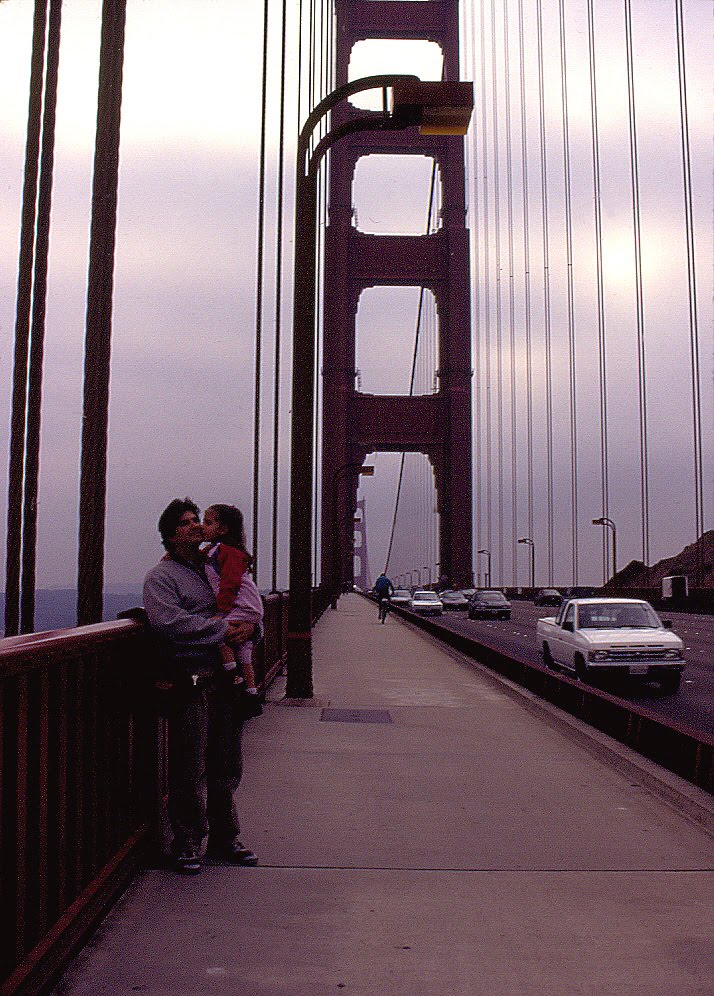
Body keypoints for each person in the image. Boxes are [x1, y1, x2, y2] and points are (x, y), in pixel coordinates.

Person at [143, 497, 258, 875]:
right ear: (169, 535)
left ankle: (226, 838)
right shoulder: (161, 578)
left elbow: (248, 606)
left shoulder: (217, 564)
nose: (194, 526)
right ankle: (188, 842)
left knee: (227, 764)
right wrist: (221, 629)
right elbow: (167, 622)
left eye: (197, 520)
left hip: (226, 680)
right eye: (185, 522)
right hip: (191, 681)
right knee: (189, 766)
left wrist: (254, 629)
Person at [202, 503, 263, 716]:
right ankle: (251, 694)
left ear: (223, 529)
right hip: (248, 605)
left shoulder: (227, 552)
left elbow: (229, 584)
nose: (202, 527)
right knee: (244, 650)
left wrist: (221, 612)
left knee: (218, 632)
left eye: (208, 522)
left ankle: (234, 678)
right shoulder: (217, 550)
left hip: (242, 603)